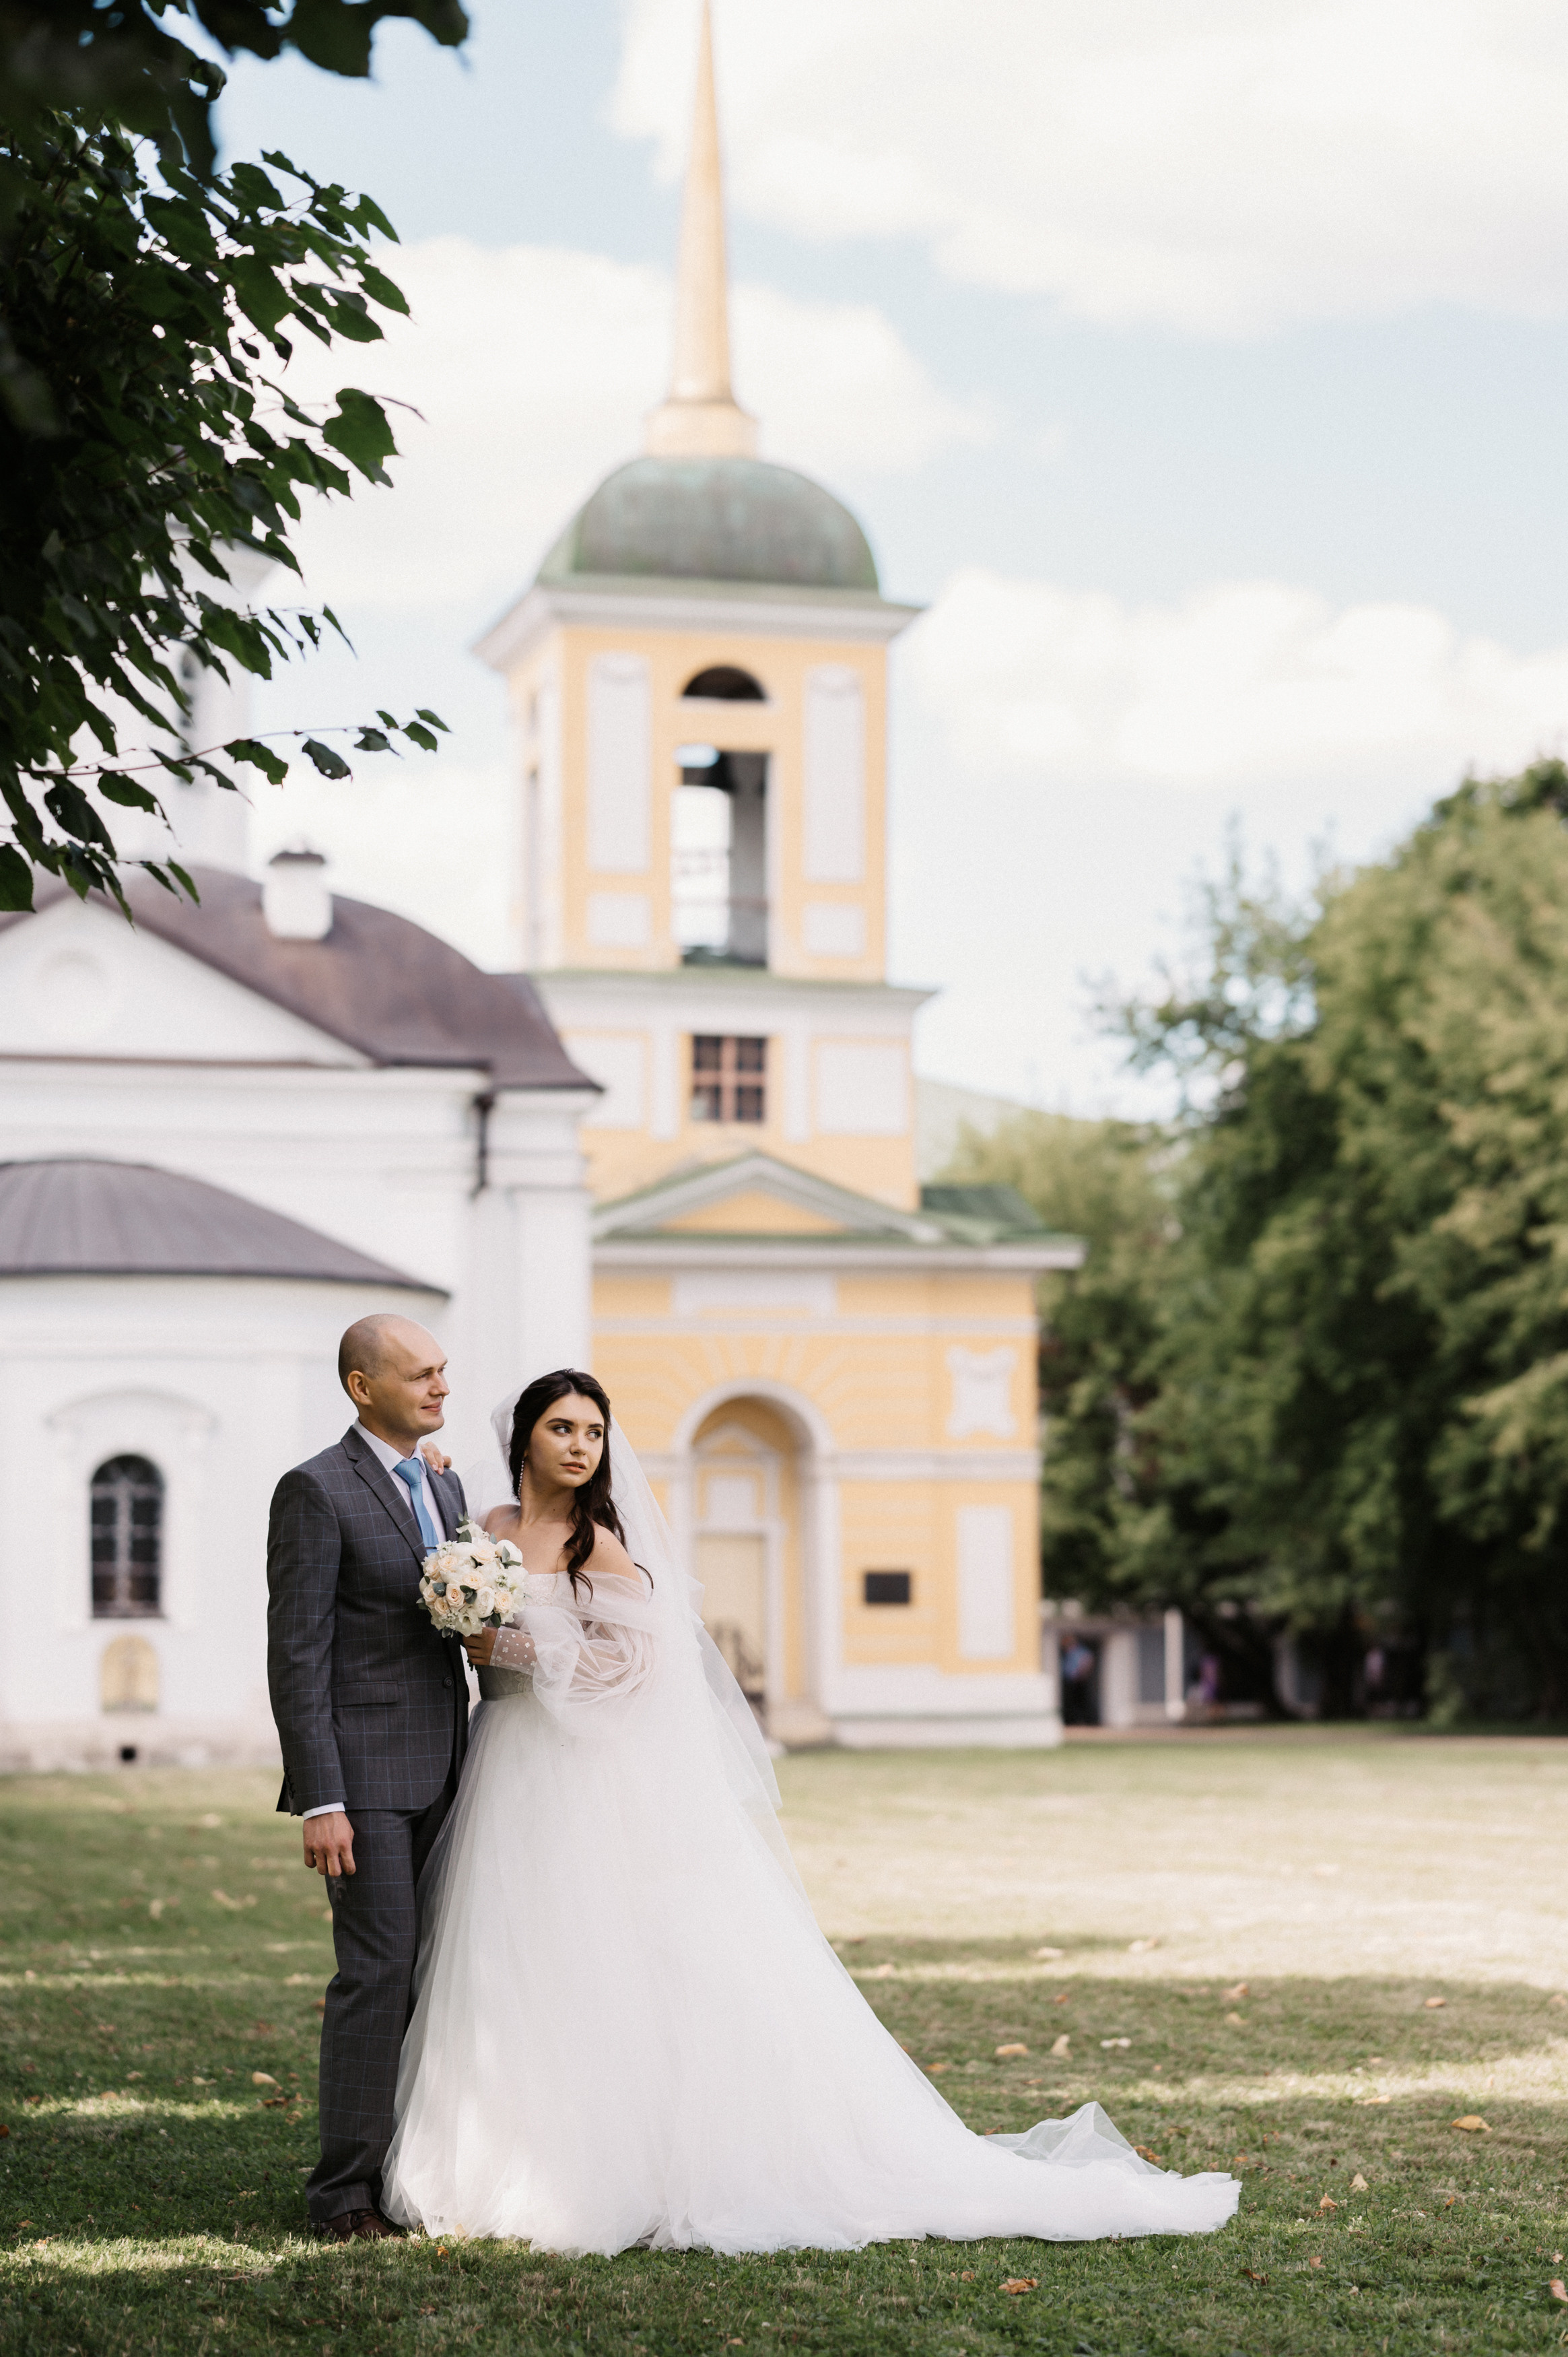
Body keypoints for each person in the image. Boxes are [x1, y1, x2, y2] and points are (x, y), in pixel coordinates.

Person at [379, 1368, 1240, 2255]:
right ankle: (510, 2151)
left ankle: (634, 2161)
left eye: (592, 1433)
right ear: (522, 1438)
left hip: (580, 1769)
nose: (578, 1446)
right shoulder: (488, 1533)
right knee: (518, 1953)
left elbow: (638, 1672)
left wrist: (508, 1642)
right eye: (561, 1428)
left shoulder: (603, 1543)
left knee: (612, 1954)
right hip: (509, 1760)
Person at [266, 1313, 469, 2243]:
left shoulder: (444, 1481)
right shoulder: (313, 1490)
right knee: (377, 1974)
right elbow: (297, 1653)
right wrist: (321, 1796)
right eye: (420, 1375)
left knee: (440, 1973)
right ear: (362, 1386)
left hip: (454, 1767)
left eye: (442, 1373)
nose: (439, 1387)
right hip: (365, 1781)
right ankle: (344, 2193)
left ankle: (415, 2169)